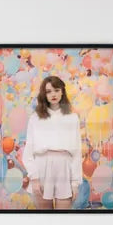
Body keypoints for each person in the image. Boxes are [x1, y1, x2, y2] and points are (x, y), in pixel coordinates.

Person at [22, 76, 82, 210]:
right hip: (42, 166)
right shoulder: (35, 118)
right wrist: (34, 177)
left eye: (56, 90)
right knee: (44, 217)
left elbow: (77, 152)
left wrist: (75, 183)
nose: (53, 94)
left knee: (63, 217)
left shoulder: (72, 118)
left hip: (64, 167)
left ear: (62, 92)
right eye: (48, 91)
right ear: (44, 94)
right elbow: (28, 151)